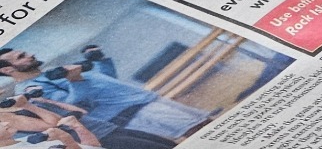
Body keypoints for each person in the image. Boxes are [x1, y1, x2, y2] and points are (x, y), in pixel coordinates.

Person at [0, 46, 207, 148]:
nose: (30, 56)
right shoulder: (32, 89)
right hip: (129, 113)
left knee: (202, 126)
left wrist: (100, 61)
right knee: (196, 131)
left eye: (26, 53)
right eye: (22, 57)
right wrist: (75, 79)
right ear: (9, 70)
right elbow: (74, 106)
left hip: (145, 100)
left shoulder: (54, 71)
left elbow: (106, 79)